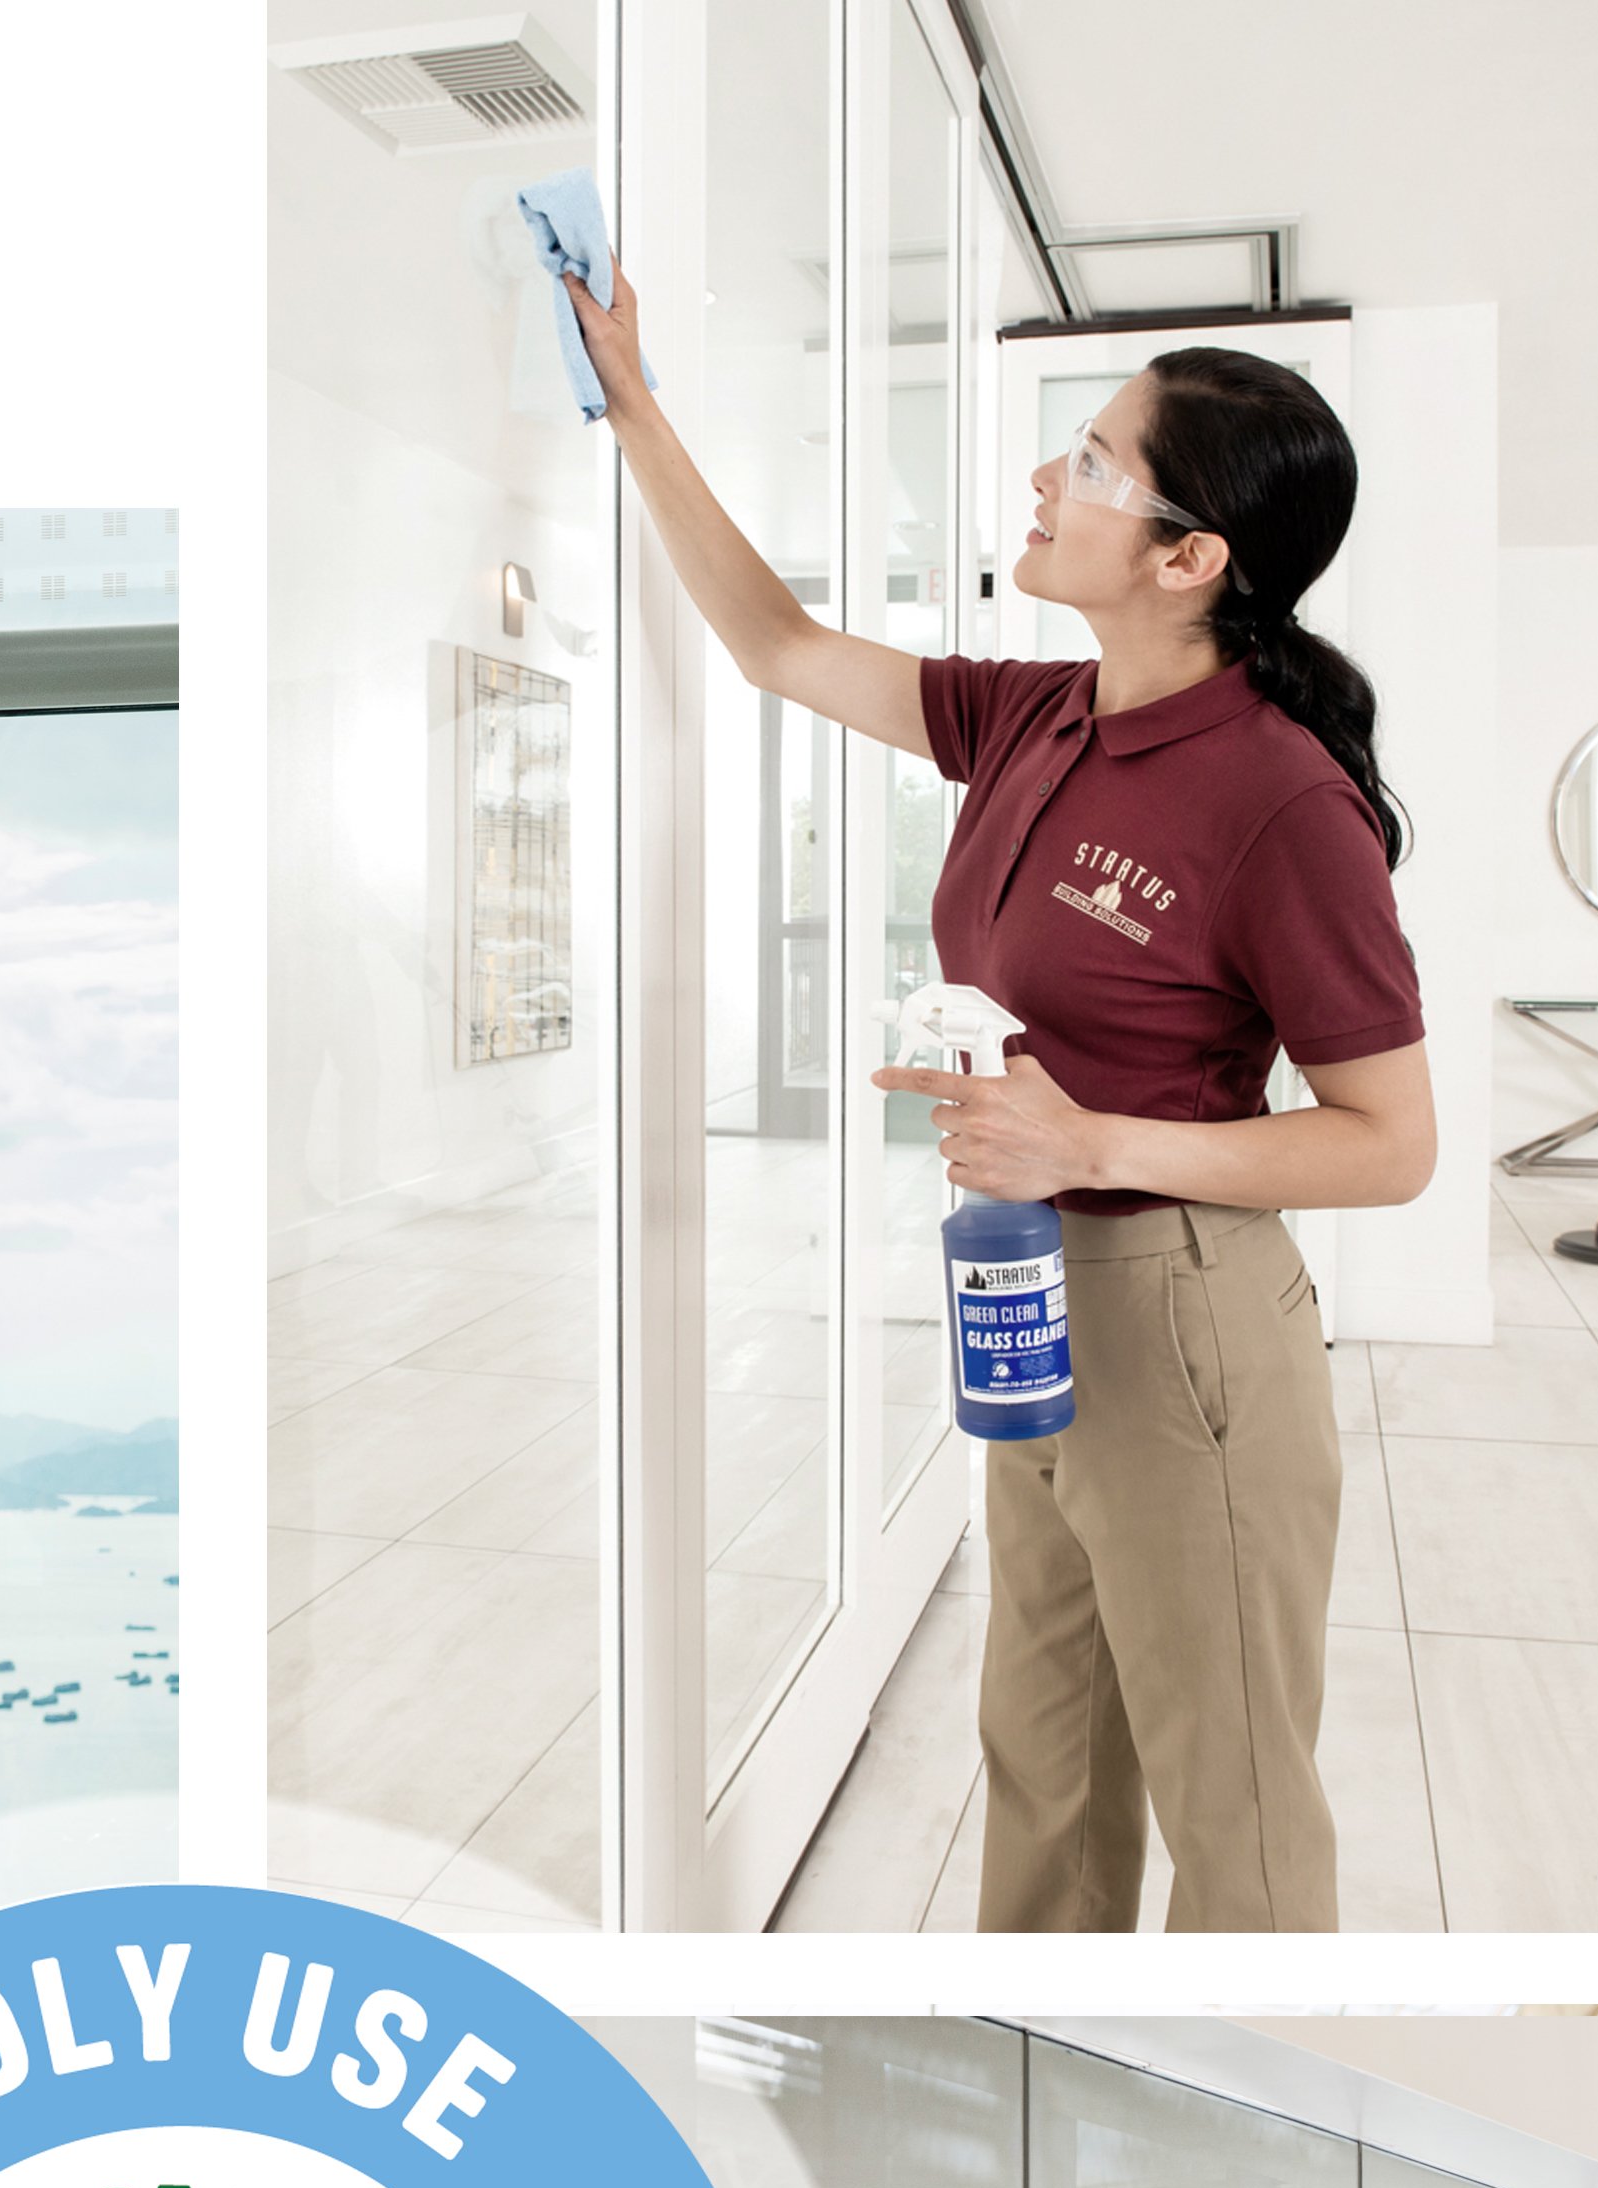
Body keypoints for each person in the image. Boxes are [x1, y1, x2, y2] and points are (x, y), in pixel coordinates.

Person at [564, 266, 1436, 1932]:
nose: (1049, 479)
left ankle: (1246, 2145)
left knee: (1233, 1805)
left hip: (1186, 1324)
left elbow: (1393, 1145)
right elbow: (776, 643)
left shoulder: (1280, 800)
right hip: (1024, 1293)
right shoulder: (1034, 715)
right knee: (1044, 1759)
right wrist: (635, 406)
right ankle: (1036, 2105)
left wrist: (1090, 1138)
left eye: (1095, 464)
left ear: (1195, 560)